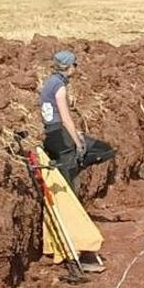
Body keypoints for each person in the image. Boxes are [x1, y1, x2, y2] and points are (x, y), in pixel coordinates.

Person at [39, 50, 115, 192]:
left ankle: (76, 163)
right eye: (75, 64)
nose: (76, 67)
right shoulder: (59, 87)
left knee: (69, 167)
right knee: (104, 152)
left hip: (51, 132)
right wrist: (78, 143)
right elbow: (66, 118)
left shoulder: (50, 82)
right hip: (61, 135)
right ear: (69, 66)